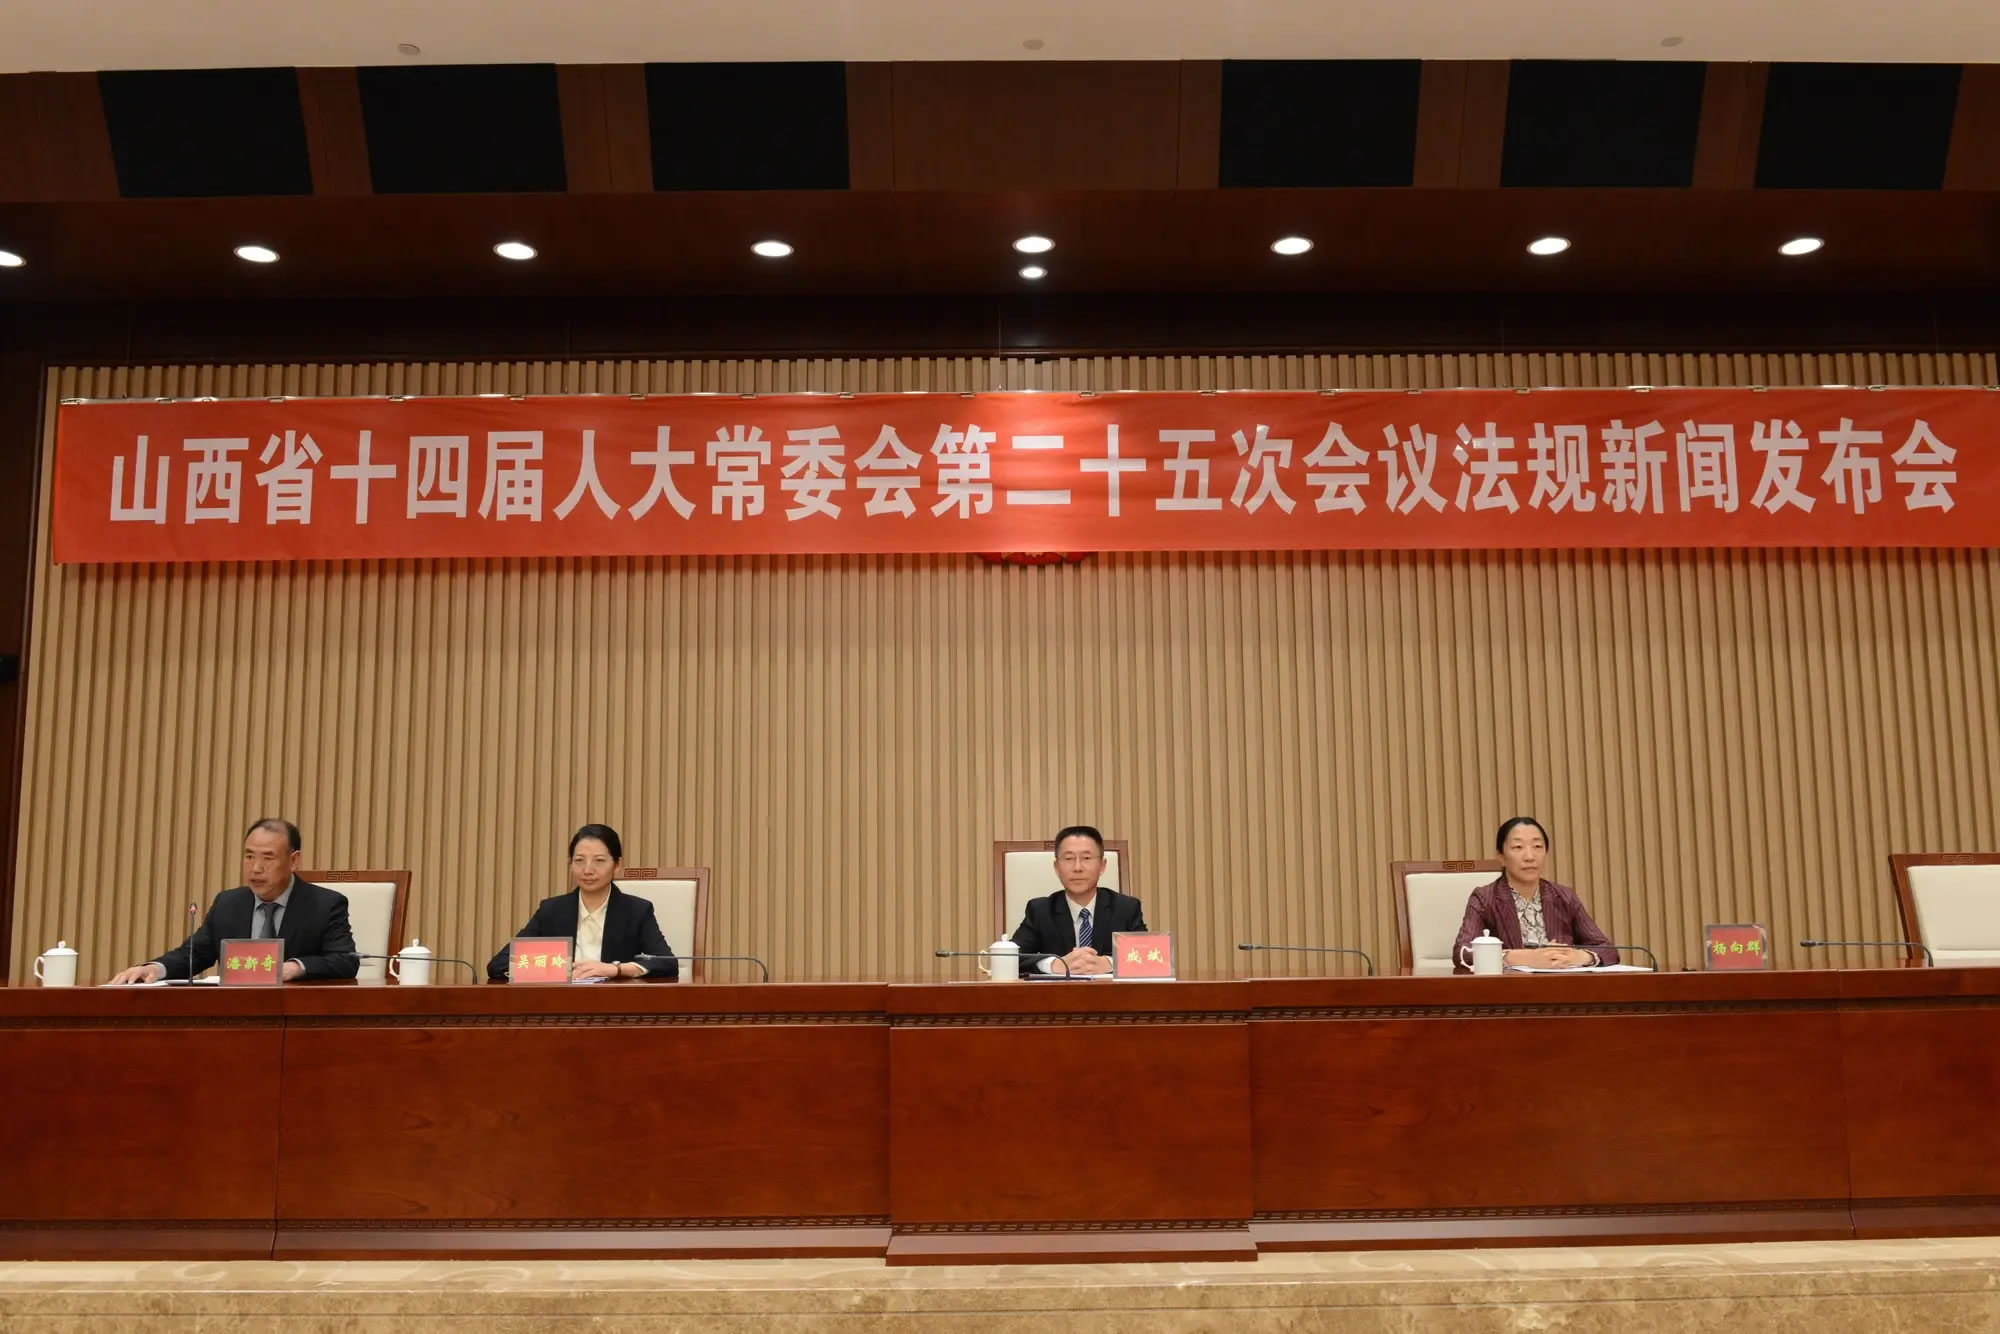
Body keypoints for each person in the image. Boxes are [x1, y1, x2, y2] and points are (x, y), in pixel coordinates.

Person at [106, 819, 360, 983]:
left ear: (293, 861)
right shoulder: (229, 904)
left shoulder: (325, 905)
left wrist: (295, 967)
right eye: (249, 857)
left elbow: (345, 960)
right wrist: (155, 968)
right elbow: (194, 955)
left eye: (268, 858)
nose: (256, 868)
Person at [487, 824, 679, 981]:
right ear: (570, 863)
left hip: (616, 1005)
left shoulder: (636, 911)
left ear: (617, 864)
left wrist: (615, 969)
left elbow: (667, 963)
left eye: (599, 861)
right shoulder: (552, 910)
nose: (587, 870)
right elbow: (499, 964)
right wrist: (553, 970)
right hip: (560, 1004)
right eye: (579, 860)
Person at [1452, 817, 1617, 972]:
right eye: (1518, 847)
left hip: (1563, 986)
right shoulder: (1485, 898)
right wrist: (1524, 958)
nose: (1530, 857)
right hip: (1510, 988)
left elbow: (1608, 949)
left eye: (1537, 847)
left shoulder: (1564, 896)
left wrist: (1580, 957)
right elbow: (1462, 953)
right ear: (1501, 857)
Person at [1009, 825, 1147, 976]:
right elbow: (1010, 958)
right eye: (1069, 859)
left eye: (1086, 858)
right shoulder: (1040, 911)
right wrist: (1054, 965)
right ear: (1056, 867)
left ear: (1102, 866)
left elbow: (1148, 955)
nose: (1077, 867)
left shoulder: (1126, 908)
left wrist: (1110, 963)